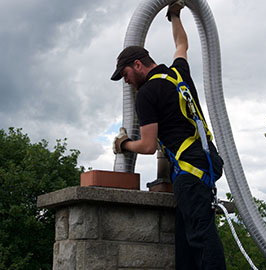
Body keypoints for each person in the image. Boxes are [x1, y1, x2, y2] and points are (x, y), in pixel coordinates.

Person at [110, 1, 226, 269]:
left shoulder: (147, 94)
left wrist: (124, 144)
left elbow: (149, 146)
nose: (125, 81)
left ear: (137, 65)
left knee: (201, 238)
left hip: (189, 173)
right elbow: (181, 45)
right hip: (205, 161)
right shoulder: (177, 74)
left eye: (125, 74)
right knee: (187, 242)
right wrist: (175, 16)